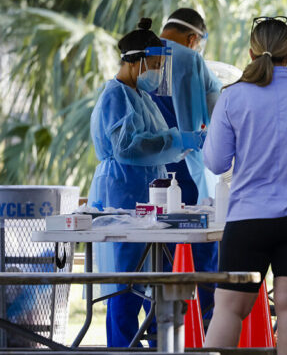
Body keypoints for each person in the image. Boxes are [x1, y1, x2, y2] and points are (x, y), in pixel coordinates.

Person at [202, 16, 287, 353]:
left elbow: (217, 163)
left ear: (251, 53)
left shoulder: (233, 96)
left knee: (229, 310)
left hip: (248, 218)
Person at [87, 18, 205, 347]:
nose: (156, 72)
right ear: (137, 61)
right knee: (126, 279)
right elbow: (132, 146)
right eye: (154, 65)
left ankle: (150, 342)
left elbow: (156, 143)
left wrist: (184, 143)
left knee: (145, 275)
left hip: (146, 194)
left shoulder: (141, 95)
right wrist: (176, 138)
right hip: (122, 193)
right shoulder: (115, 97)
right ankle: (122, 346)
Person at [145, 8, 222, 331]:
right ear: (194, 39)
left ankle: (156, 331)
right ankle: (201, 327)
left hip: (146, 174)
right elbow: (218, 119)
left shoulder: (142, 57)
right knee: (200, 251)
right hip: (186, 174)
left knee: (155, 256)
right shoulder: (193, 61)